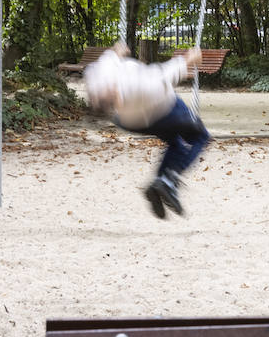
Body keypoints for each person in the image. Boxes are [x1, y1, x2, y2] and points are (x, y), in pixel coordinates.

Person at [83, 42, 209, 219]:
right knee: (200, 136)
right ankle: (167, 181)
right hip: (164, 110)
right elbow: (163, 74)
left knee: (175, 143)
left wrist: (117, 51)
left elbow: (108, 59)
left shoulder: (97, 77)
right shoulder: (137, 85)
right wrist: (188, 60)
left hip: (130, 122)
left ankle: (160, 185)